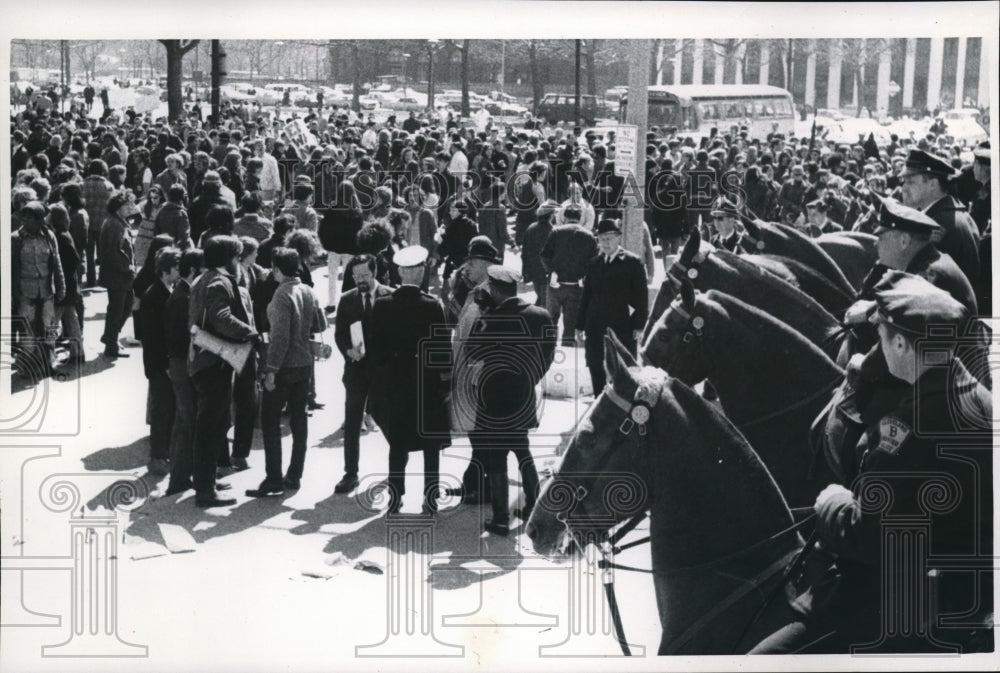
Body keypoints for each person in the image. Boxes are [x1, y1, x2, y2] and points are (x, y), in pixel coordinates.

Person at [751, 272, 992, 654]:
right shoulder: (981, 399)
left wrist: (831, 501)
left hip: (898, 609)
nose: (875, 353)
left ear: (900, 342)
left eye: (881, 340)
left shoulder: (903, 428)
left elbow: (869, 537)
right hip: (970, 598)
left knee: (761, 660)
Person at [465, 265, 556, 535]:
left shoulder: (491, 319)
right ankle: (533, 506)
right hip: (524, 394)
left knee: (496, 456)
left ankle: (501, 518)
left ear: (493, 289)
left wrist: (482, 312)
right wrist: (532, 377)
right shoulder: (541, 315)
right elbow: (548, 353)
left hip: (493, 397)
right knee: (522, 449)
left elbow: (471, 351)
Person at [367, 245, 451, 515]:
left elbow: (374, 349)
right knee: (430, 445)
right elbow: (441, 350)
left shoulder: (381, 305)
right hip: (425, 385)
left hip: (394, 384)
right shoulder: (431, 305)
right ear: (422, 271)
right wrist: (444, 383)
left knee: (397, 443)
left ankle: (395, 497)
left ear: (400, 272)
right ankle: (430, 499)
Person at [246, 247, 327, 496]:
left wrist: (270, 370)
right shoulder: (307, 290)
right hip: (304, 365)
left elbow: (279, 338)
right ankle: (294, 475)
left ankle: (273, 478)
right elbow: (321, 323)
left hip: (283, 367)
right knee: (299, 419)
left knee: (270, 421)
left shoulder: (281, 295)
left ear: (278, 269)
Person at [187, 235, 258, 508]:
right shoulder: (219, 282)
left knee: (215, 424)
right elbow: (221, 318)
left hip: (207, 361)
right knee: (209, 426)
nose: (240, 262)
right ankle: (205, 491)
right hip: (213, 362)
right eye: (238, 257)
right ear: (230, 258)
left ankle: (207, 480)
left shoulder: (203, 279)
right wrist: (250, 332)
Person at [332, 255, 393, 495]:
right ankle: (350, 473)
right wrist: (348, 351)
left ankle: (397, 464)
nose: (360, 281)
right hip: (356, 370)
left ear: (374, 272)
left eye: (365, 276)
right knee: (352, 421)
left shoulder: (390, 295)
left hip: (382, 372)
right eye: (356, 276)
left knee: (386, 419)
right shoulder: (347, 300)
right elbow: (339, 333)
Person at [575, 218, 649, 394]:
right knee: (595, 363)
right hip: (595, 325)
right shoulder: (594, 263)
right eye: (602, 238)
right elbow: (586, 296)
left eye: (610, 238)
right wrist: (579, 324)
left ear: (618, 238)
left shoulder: (633, 263)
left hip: (622, 326)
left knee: (623, 367)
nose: (606, 243)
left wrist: (639, 325)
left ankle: (623, 402)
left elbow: (641, 298)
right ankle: (599, 400)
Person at [898, 149, 981, 284]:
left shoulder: (936, 224)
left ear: (932, 184)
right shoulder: (953, 213)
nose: (903, 188)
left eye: (910, 182)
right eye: (904, 182)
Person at [163, 248, 205, 497]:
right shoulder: (182, 298)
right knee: (186, 420)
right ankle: (179, 479)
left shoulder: (185, 293)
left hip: (183, 363)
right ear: (193, 271)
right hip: (182, 363)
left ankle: (191, 476)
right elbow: (180, 337)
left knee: (190, 420)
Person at [140, 247, 182, 476]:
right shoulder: (155, 295)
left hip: (161, 363)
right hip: (159, 364)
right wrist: (166, 364)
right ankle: (157, 457)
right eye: (176, 267)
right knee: (162, 410)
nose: (179, 271)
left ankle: (163, 453)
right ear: (166, 270)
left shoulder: (164, 290)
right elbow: (154, 336)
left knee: (167, 408)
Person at [11, 201, 65, 376]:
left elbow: (57, 263)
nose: (26, 221)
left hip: (46, 290)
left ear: (40, 220)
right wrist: (12, 294)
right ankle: (28, 365)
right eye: (24, 217)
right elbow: (10, 268)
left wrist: (61, 287)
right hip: (25, 292)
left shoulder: (49, 236)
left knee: (49, 328)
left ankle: (49, 362)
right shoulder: (15, 239)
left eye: (31, 218)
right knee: (28, 332)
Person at [540, 204, 597, 346]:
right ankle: (568, 346)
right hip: (577, 286)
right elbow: (594, 262)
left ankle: (549, 347)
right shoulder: (589, 236)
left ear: (565, 217)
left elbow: (544, 255)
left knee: (551, 318)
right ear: (580, 218)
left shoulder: (556, 232)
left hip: (555, 284)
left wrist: (551, 271)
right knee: (570, 321)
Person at [98, 191, 138, 360]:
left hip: (121, 275)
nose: (131, 207)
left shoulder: (120, 222)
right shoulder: (114, 225)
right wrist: (127, 268)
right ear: (117, 208)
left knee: (125, 306)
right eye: (127, 205)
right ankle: (111, 344)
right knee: (118, 309)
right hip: (118, 275)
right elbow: (113, 251)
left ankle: (110, 337)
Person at [81, 159, 114, 287]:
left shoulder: (82, 184)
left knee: (89, 253)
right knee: (103, 252)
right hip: (103, 223)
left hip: (87, 222)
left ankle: (90, 279)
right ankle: (103, 278)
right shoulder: (108, 185)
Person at [522, 200, 559, 308]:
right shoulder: (553, 231)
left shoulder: (530, 228)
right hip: (546, 271)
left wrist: (525, 269)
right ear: (551, 215)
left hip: (533, 268)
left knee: (540, 294)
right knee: (545, 300)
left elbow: (524, 252)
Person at [154, 184, 192, 248]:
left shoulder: (161, 210)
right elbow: (184, 237)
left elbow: (156, 230)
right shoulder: (181, 213)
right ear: (182, 197)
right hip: (175, 250)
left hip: (162, 247)